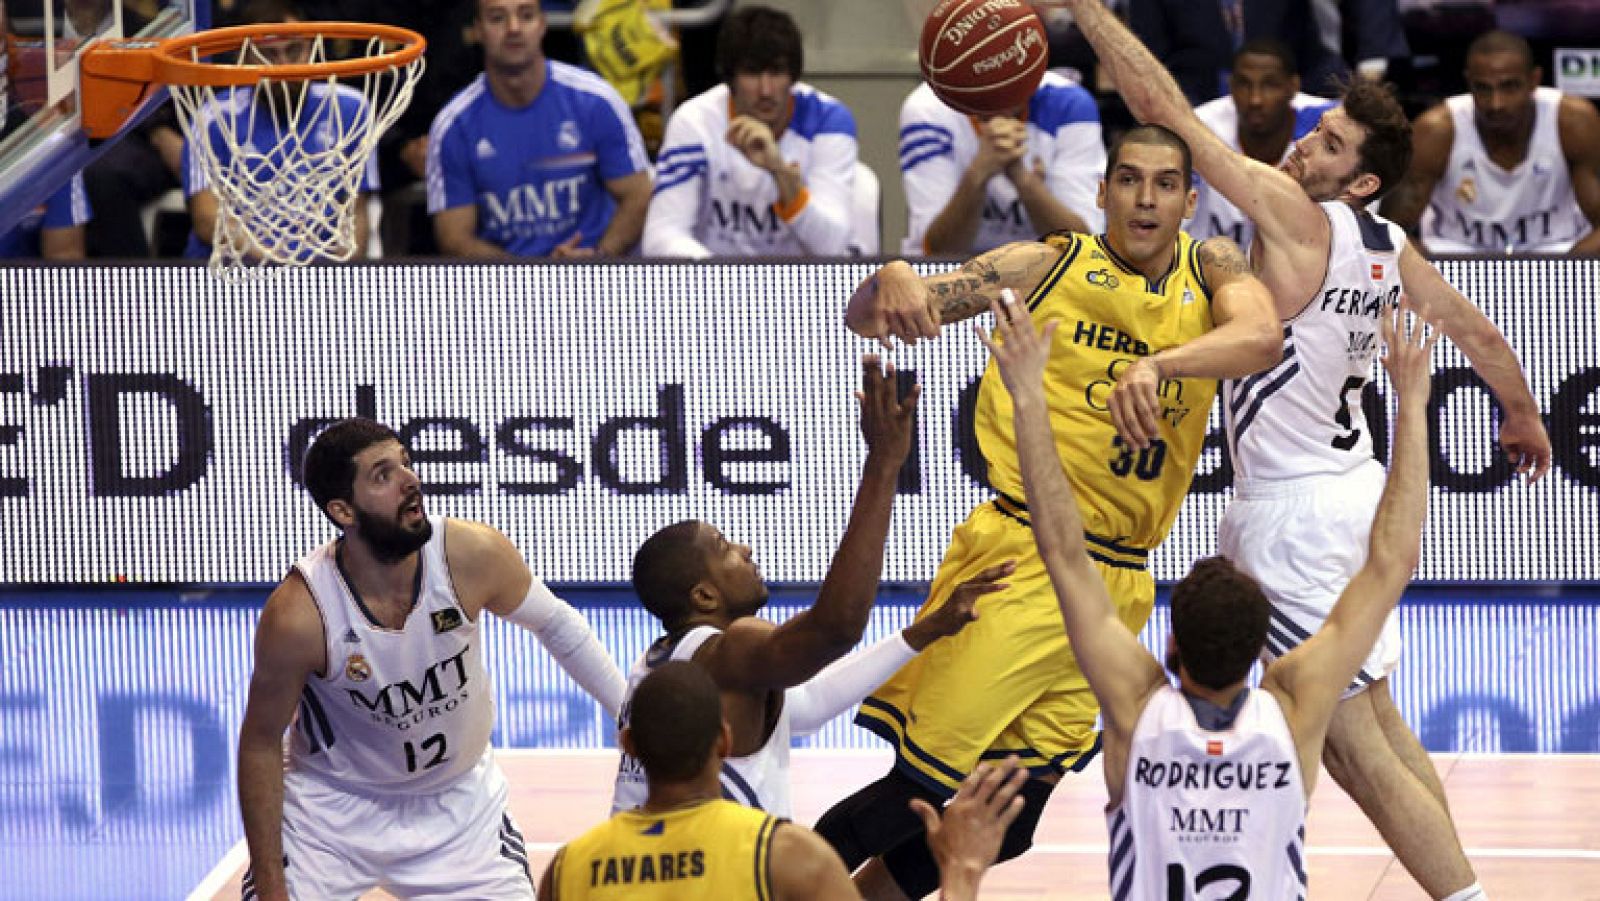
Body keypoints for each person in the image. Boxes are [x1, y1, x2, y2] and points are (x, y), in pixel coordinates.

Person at [1063, 1, 1553, 897]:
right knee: (1385, 728)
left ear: (1359, 181)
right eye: (1316, 131)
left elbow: (1166, 111)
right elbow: (1477, 333)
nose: (1304, 148)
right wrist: (1520, 412)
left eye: (1330, 146)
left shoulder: (1295, 213)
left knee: (1360, 754)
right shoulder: (1389, 245)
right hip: (1349, 495)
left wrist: (1092, 13)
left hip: (1294, 518)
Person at [815, 126, 1283, 899]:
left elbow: (1261, 334)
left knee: (1012, 811)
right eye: (1128, 180)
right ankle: (758, 882)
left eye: (1166, 184)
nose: (1145, 197)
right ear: (1100, 193)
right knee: (924, 785)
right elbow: (872, 316)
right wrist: (892, 275)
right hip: (1021, 557)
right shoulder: (1046, 264)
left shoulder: (1213, 268)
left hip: (1120, 578)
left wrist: (1156, 364)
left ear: (1191, 201)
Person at [985, 282, 1434, 898]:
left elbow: (1063, 549)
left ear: (1169, 642)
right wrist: (1412, 402)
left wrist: (1029, 397)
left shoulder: (1139, 711)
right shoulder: (1291, 710)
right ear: (1262, 654)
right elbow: (1392, 560)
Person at [235, 418, 627, 901]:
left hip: (457, 811)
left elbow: (559, 626)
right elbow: (259, 742)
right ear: (343, 510)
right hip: (331, 815)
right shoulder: (300, 613)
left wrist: (633, 717)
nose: (410, 479)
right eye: (383, 475)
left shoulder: (470, 554)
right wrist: (271, 882)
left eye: (405, 461)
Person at [612, 357, 1010, 817]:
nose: (745, 549)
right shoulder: (726, 650)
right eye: (724, 548)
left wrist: (921, 632)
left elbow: (806, 708)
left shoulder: (657, 663)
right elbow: (835, 628)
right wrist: (883, 465)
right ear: (704, 596)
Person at [546, 661, 1029, 901]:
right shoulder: (785, 854)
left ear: (627, 744)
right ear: (724, 741)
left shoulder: (568, 870)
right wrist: (961, 870)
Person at [427, 0, 652, 258]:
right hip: (503, 288)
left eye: (526, 15)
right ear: (477, 31)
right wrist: (531, 278)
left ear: (542, 24)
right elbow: (455, 238)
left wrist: (599, 256)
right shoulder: (453, 127)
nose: (513, 28)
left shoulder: (597, 101)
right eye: (498, 18)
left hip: (594, 279)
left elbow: (638, 196)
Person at [641, 5, 857, 258]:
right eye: (752, 73)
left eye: (777, 72)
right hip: (714, 289)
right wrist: (730, 282)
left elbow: (832, 248)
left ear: (793, 76)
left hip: (799, 289)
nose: (766, 90)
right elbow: (661, 237)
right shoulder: (694, 122)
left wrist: (781, 174)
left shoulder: (828, 121)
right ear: (730, 78)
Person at [182, 0, 378, 265]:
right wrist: (282, 268)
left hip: (320, 272)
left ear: (311, 48)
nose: (283, 65)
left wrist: (335, 270)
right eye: (268, 55)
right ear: (245, 58)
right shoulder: (214, 117)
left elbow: (357, 214)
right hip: (236, 275)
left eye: (293, 50)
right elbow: (207, 219)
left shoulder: (351, 109)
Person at [1379, 30, 1600, 256]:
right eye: (1483, 88)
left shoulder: (1573, 123)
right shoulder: (1436, 131)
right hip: (1455, 256)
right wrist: (1431, 280)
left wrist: (1566, 273)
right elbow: (1389, 229)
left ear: (1534, 80)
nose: (1496, 104)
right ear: (1469, 83)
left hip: (1558, 253)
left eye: (1509, 86)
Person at [899, 70, 1105, 256]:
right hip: (958, 275)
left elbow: (1085, 249)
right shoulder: (928, 109)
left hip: (1046, 275)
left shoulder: (1070, 103)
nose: (997, 92)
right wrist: (978, 173)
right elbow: (936, 251)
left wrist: (1023, 179)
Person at [1188, 39, 1333, 245]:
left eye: (1270, 85)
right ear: (1230, 86)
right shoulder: (1198, 128)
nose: (1255, 99)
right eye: (1244, 84)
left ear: (1293, 87)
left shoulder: (1327, 126)